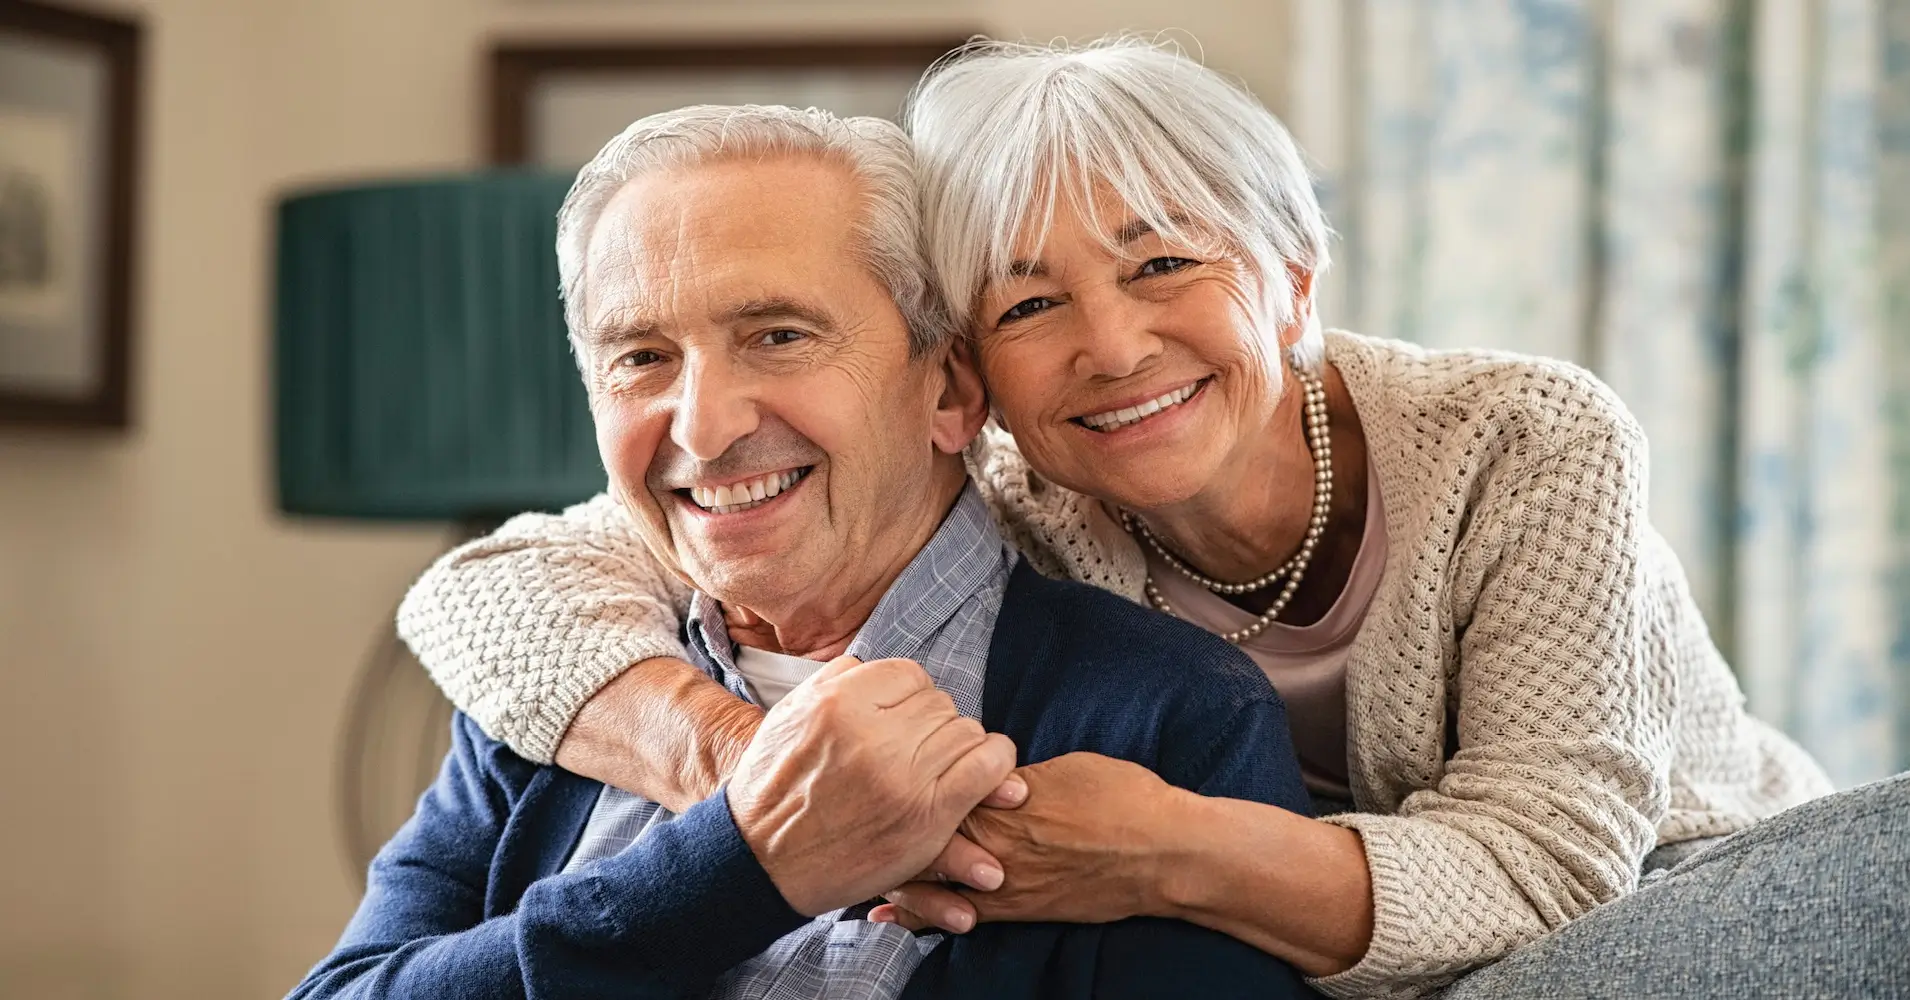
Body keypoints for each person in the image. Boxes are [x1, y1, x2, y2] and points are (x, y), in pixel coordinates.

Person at [398, 38, 1910, 999]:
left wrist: (1173, 852)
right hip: (1333, 945)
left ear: (1295, 279)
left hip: (1646, 893)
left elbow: (1552, 866)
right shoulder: (1007, 488)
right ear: (968, 377)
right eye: (1031, 302)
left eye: (1164, 265)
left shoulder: (1520, 438)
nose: (1110, 347)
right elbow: (490, 592)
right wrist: (751, 775)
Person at [293, 104, 1324, 1000]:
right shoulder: (558, 697)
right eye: (642, 357)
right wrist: (740, 866)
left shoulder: (1166, 717)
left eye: (778, 335)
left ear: (950, 391)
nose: (701, 426)